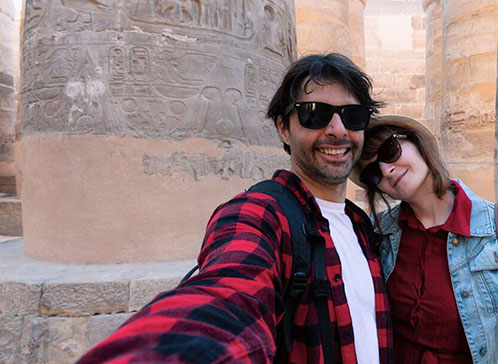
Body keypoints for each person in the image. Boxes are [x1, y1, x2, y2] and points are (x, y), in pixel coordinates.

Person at [78, 53, 393, 364]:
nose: (338, 129)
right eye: (315, 114)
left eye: (352, 115)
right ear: (283, 128)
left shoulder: (362, 225)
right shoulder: (259, 213)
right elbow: (228, 292)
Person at [351, 115, 498, 364]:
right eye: (372, 173)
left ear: (417, 142)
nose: (386, 170)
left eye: (389, 151)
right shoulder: (378, 234)